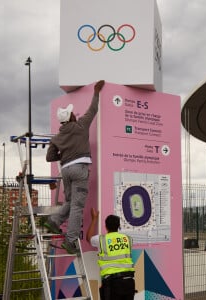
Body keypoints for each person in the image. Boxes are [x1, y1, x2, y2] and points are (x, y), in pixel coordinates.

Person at [44, 80, 105, 254]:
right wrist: (96, 91)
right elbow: (93, 109)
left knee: (70, 201)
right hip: (79, 169)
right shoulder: (80, 126)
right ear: (71, 117)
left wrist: (62, 155)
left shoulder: (57, 137)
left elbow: (50, 157)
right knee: (77, 206)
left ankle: (55, 221)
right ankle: (70, 241)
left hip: (65, 170)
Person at [86, 208, 135, 300]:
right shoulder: (128, 239)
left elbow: (89, 238)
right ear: (118, 226)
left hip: (112, 283)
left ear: (106, 226)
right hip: (129, 281)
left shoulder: (101, 239)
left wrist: (94, 219)